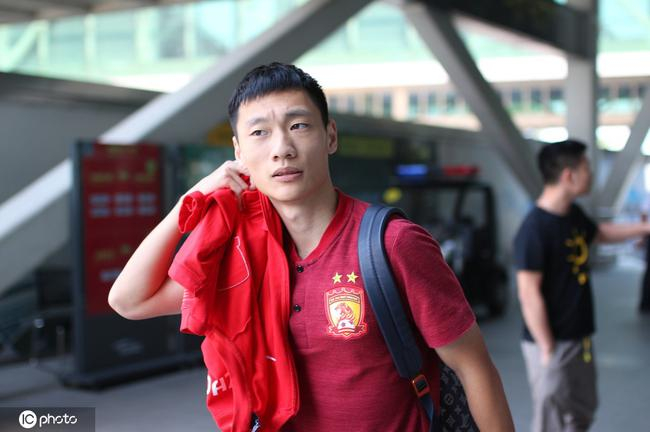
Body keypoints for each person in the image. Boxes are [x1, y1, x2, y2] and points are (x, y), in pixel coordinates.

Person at [109, 62, 514, 431]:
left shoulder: (393, 243)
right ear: (238, 152)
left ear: (330, 136)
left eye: (299, 125)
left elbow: (473, 367)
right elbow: (130, 300)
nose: (282, 148)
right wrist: (190, 200)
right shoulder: (242, 256)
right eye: (259, 132)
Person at [514, 139, 650, 432]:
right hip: (551, 341)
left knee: (581, 412)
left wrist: (644, 227)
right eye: (587, 168)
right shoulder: (534, 229)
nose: (591, 174)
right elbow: (528, 293)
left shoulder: (572, 215)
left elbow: (601, 233)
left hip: (579, 336)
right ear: (568, 175)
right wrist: (547, 350)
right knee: (551, 420)